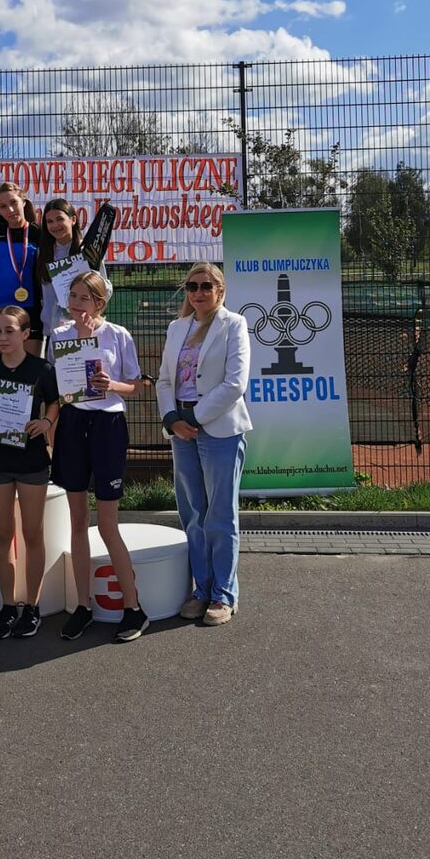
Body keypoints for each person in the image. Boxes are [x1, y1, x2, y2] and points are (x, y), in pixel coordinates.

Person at [49, 271, 148, 643]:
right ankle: (82, 606)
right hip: (73, 424)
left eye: (84, 298)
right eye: (72, 296)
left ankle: (133, 607)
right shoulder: (59, 336)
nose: (76, 303)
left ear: (100, 303)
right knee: (77, 521)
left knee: (107, 524)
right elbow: (58, 386)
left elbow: (135, 385)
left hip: (108, 425)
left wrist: (112, 385)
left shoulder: (118, 334)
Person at [156, 263, 251, 626]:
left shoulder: (234, 325)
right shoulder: (176, 327)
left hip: (219, 430)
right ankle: (202, 588)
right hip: (181, 430)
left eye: (206, 286)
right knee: (193, 513)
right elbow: (165, 381)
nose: (198, 292)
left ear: (220, 291)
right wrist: (172, 419)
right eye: (192, 286)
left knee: (220, 515)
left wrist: (193, 418)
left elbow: (235, 384)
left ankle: (224, 594)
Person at [0, 306, 59, 640]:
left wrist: (46, 422)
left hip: (32, 461)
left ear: (25, 333)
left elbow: (55, 402)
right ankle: (8, 606)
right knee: (2, 534)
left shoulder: (42, 369)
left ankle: (31, 607)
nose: (3, 338)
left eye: (10, 331)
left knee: (32, 534)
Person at [38, 197, 107, 334]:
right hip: (54, 330)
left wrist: (92, 279)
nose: (55, 225)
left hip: (85, 327)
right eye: (50, 221)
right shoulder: (43, 252)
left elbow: (105, 289)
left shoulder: (87, 250)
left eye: (60, 219)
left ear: (73, 220)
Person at [0, 181, 42, 354]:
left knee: (31, 365)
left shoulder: (38, 233)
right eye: (3, 206)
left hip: (31, 308)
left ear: (23, 202)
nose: (10, 210)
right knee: (2, 365)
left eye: (13, 202)